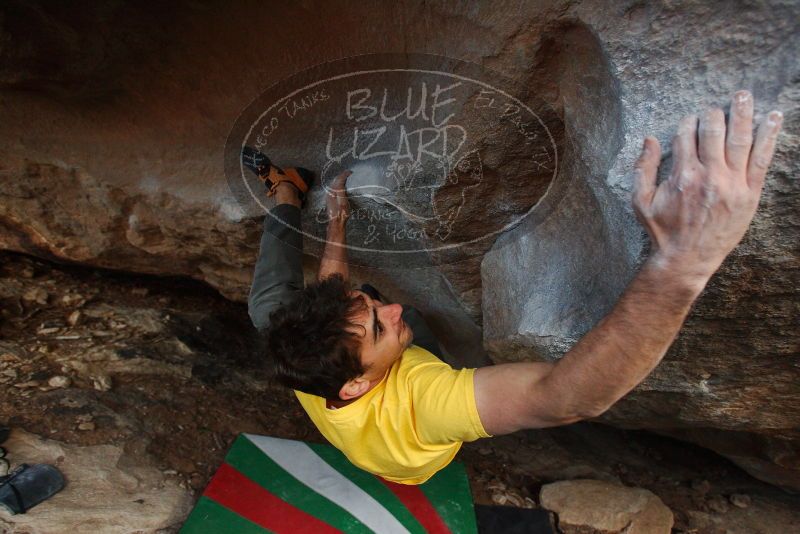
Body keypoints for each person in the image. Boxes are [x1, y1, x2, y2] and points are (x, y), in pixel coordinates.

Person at [247, 90, 783, 484]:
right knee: (424, 338)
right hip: (411, 460)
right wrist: (686, 260)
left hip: (344, 394)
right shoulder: (424, 405)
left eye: (371, 305)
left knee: (267, 306)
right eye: (379, 326)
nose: (395, 309)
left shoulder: (305, 359)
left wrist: (336, 223)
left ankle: (287, 195)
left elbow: (335, 299)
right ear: (357, 387)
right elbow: (562, 398)